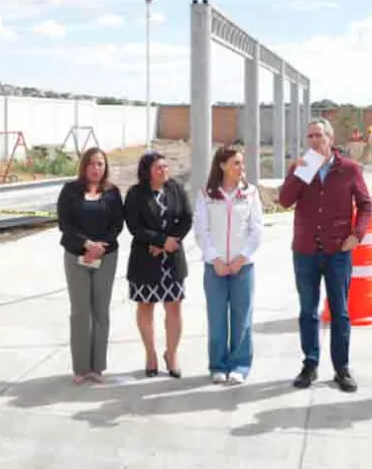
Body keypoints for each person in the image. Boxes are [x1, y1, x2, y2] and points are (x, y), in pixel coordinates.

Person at [278, 117, 372, 393]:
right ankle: (310, 363)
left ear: (331, 139)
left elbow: (366, 204)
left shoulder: (349, 169)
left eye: (319, 135)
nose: (315, 141)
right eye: (310, 136)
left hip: (337, 252)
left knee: (340, 312)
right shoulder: (301, 167)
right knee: (308, 311)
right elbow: (285, 200)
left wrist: (358, 234)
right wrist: (303, 170)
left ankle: (341, 368)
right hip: (306, 250)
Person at [193, 145, 264, 385]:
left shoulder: (251, 193)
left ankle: (240, 366)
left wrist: (241, 257)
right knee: (217, 318)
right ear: (222, 165)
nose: (241, 168)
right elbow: (201, 230)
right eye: (236, 163)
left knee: (242, 317)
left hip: (243, 267)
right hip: (215, 268)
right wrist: (215, 259)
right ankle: (218, 365)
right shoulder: (206, 194)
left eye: (241, 163)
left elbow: (257, 230)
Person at [56, 147, 125, 384]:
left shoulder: (113, 193)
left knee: (100, 311)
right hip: (77, 256)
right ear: (84, 165)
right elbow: (65, 224)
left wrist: (99, 246)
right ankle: (81, 368)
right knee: (80, 312)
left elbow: (117, 225)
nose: (97, 168)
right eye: (93, 164)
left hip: (105, 257)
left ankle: (97, 367)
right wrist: (86, 244)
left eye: (101, 164)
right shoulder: (70, 191)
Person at [124, 151, 193, 378]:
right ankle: (150, 354)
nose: (164, 171)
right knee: (146, 307)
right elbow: (135, 226)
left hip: (172, 259)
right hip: (146, 259)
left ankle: (171, 354)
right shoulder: (135, 194)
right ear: (147, 172)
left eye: (165, 167)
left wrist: (168, 243)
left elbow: (186, 218)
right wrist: (160, 240)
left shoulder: (176, 188)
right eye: (158, 168)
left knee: (174, 307)